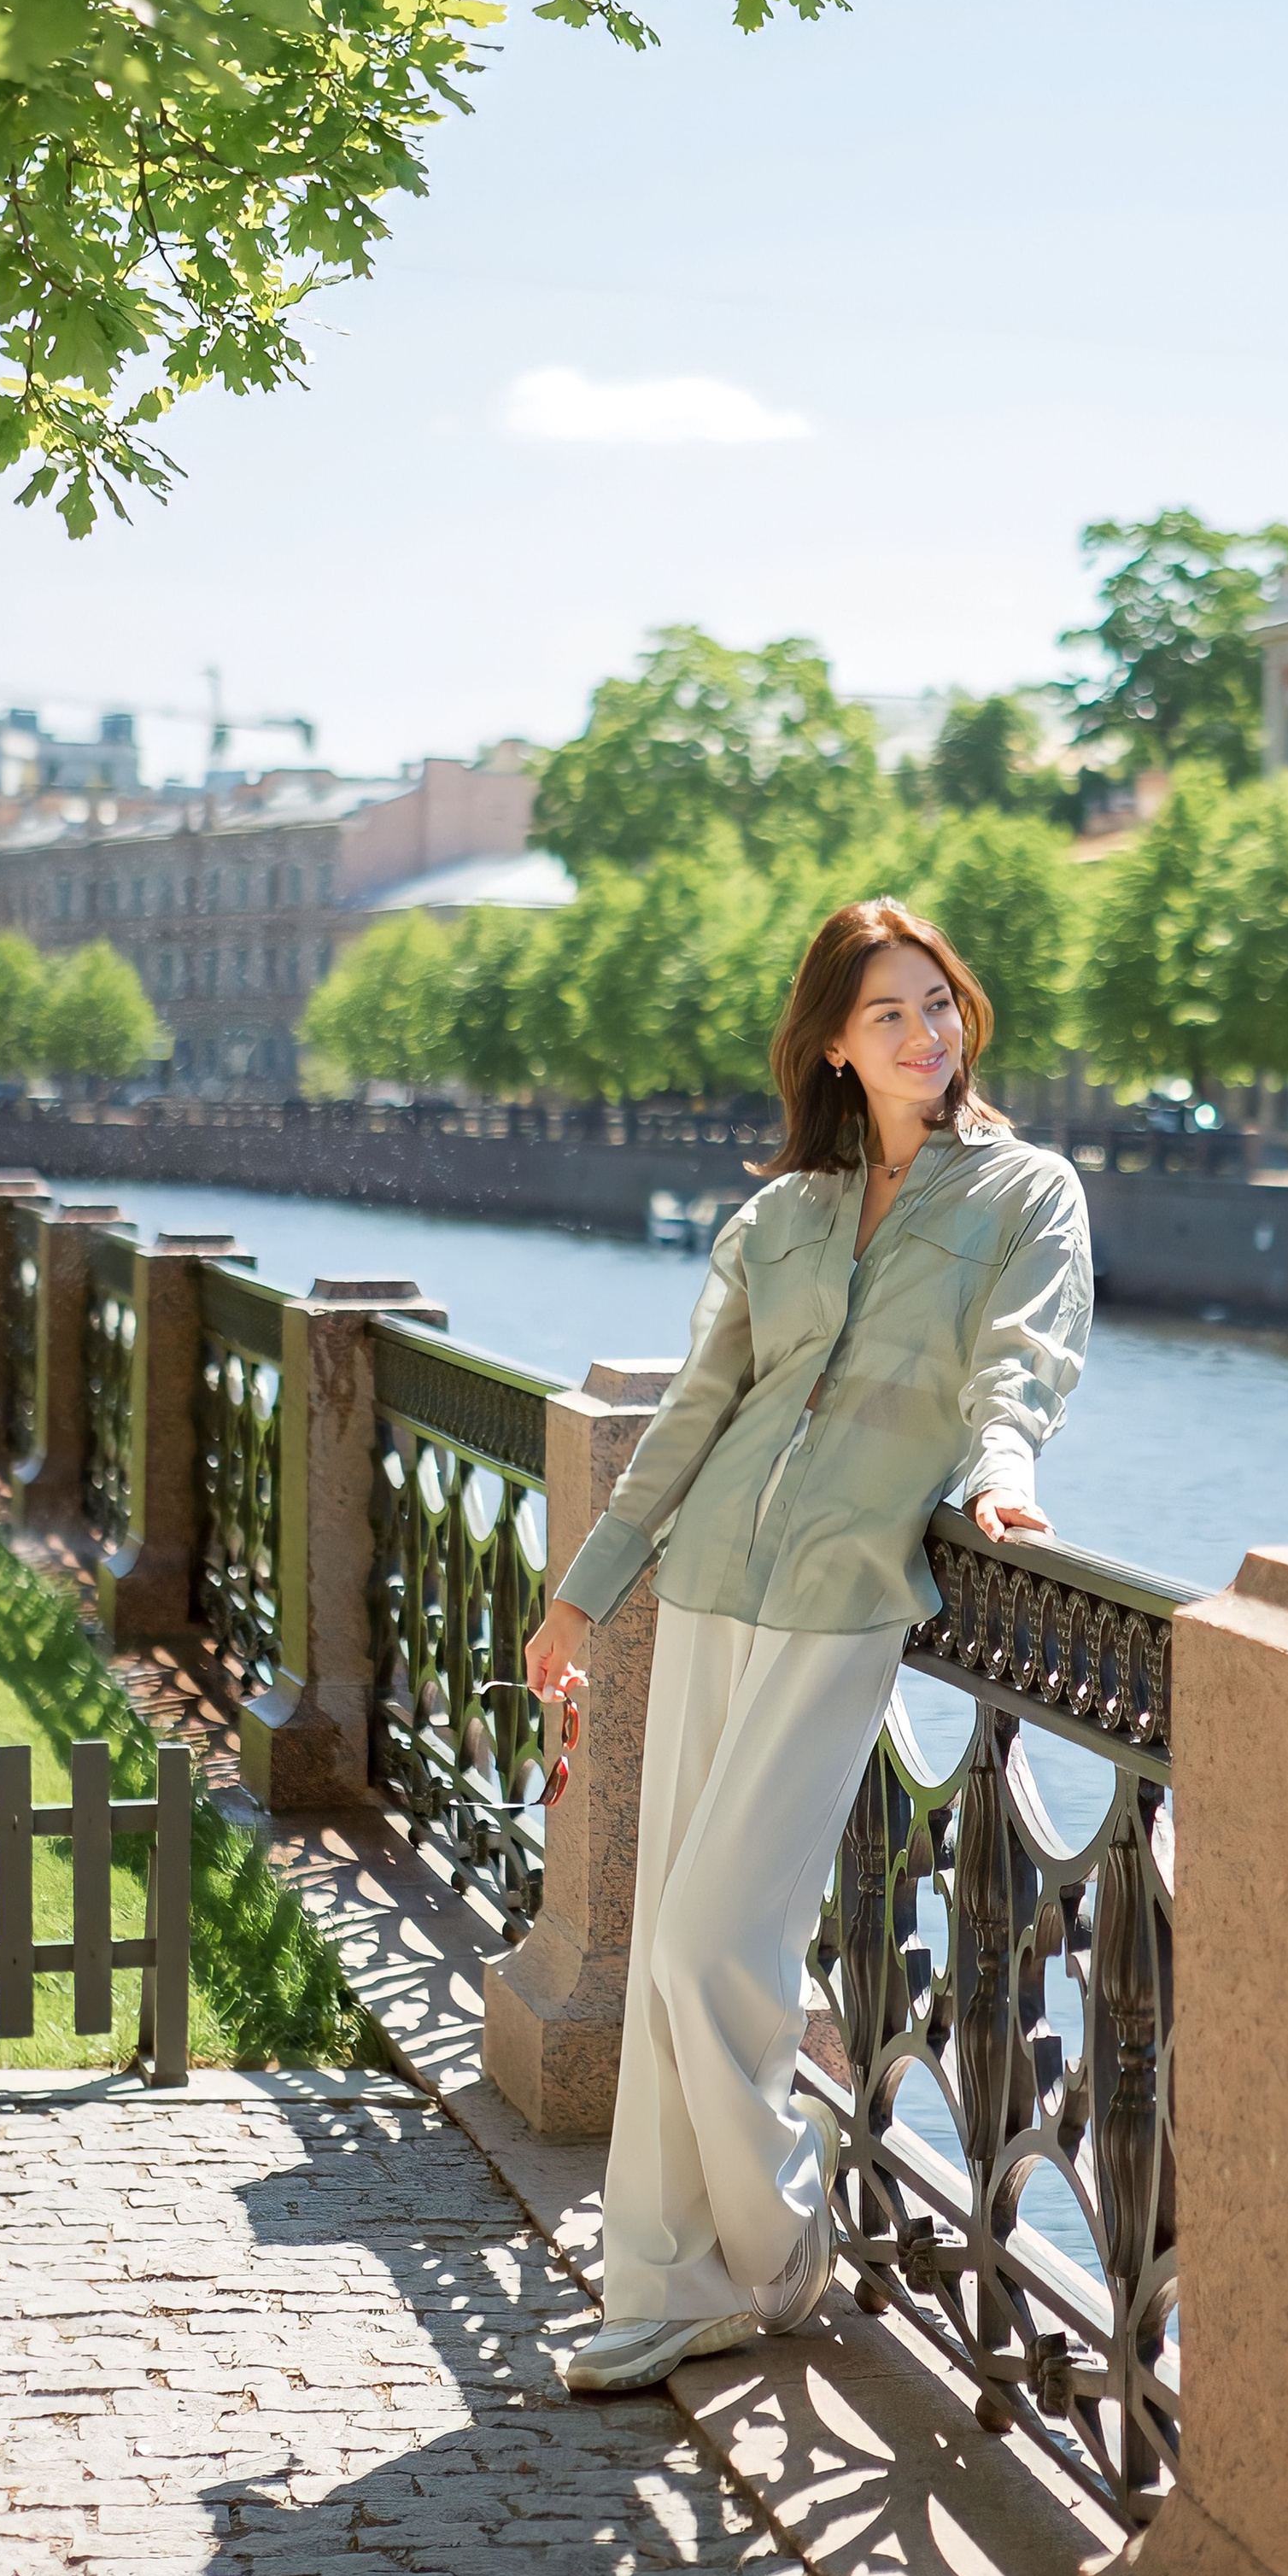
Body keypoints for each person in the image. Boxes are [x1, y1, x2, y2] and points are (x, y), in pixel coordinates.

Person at [524, 894, 1092, 2392]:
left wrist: (1004, 1476)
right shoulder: (774, 1220)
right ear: (835, 1045)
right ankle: (662, 2276)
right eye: (891, 1013)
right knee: (670, 1946)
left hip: (845, 1596)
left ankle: (774, 2247)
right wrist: (579, 1595)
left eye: (943, 1004)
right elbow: (690, 1423)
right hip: (710, 1582)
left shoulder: (1026, 1193)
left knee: (719, 1934)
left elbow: (1023, 1363)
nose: (928, 1033)